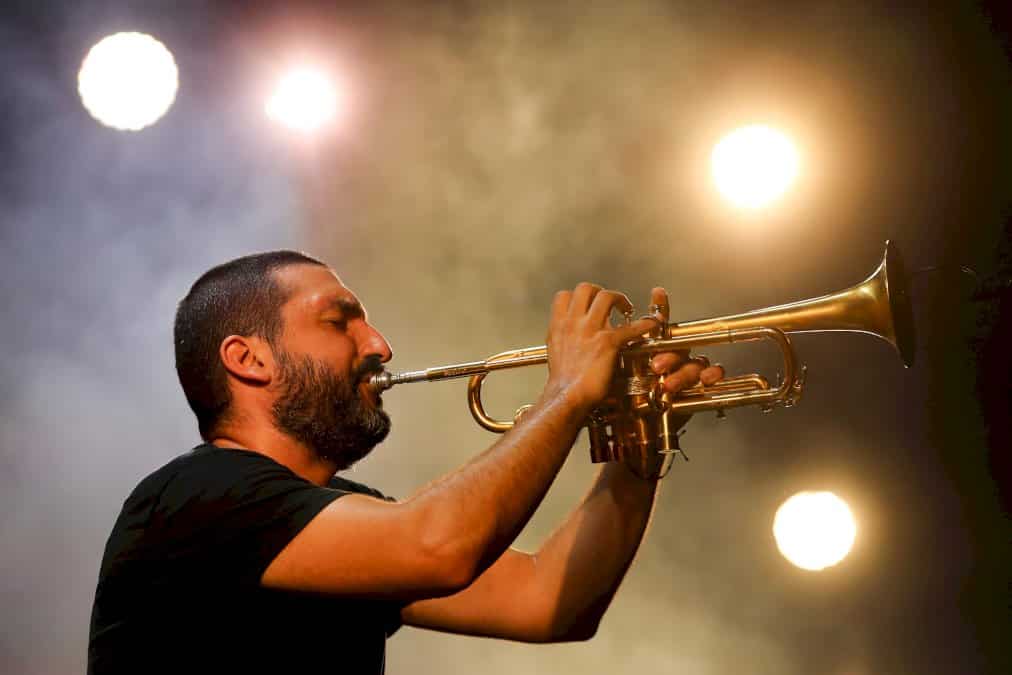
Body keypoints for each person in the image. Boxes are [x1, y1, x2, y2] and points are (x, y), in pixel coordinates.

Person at [87, 250, 724, 674]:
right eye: (341, 322)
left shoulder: (342, 512)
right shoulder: (196, 498)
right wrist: (565, 393)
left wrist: (640, 439)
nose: (380, 345)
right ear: (248, 358)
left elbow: (552, 603)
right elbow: (440, 546)